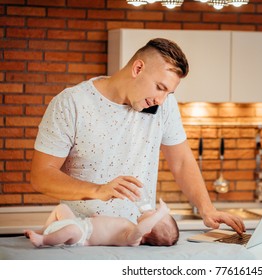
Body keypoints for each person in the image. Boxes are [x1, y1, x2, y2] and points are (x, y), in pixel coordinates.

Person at [30, 37, 245, 235]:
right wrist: (97, 190)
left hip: (140, 240)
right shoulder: (71, 104)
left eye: (168, 92)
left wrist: (207, 209)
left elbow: (180, 162)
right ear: (138, 68)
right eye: (160, 87)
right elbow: (41, 175)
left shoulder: (164, 106)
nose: (161, 100)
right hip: (82, 237)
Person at [25, 199, 179, 247]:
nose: (150, 211)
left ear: (148, 230)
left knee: (71, 229)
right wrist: (97, 217)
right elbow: (108, 225)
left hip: (82, 235)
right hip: (82, 223)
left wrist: (162, 212)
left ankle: (43, 240)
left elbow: (142, 228)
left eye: (153, 214)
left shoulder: (134, 238)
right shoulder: (129, 224)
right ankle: (43, 230)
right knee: (62, 208)